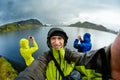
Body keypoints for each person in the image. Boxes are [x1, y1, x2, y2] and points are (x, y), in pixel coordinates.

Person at [15, 27, 120, 80]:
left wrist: (108, 57)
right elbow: (34, 71)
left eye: (60, 38)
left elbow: (84, 59)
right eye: (53, 39)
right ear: (49, 41)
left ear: (64, 41)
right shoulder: (45, 57)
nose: (56, 42)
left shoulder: (69, 54)